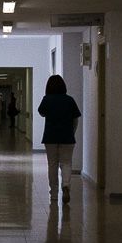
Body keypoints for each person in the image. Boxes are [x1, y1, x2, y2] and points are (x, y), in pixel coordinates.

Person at [37, 74, 80, 204]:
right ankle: (66, 185)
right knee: (66, 163)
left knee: (52, 164)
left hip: (50, 136)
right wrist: (72, 132)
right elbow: (75, 119)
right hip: (67, 136)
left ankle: (54, 193)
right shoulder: (70, 100)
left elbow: (41, 112)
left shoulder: (47, 99)